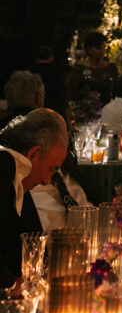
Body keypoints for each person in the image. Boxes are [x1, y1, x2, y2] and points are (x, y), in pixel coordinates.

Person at [0, 109, 70, 284]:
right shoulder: (3, 168)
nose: (47, 181)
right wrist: (13, 286)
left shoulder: (17, 178)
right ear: (33, 154)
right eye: (52, 169)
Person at [66, 32, 118, 114]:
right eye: (98, 48)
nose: (102, 51)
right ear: (89, 49)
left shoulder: (110, 68)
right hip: (87, 114)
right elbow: (71, 94)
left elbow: (116, 91)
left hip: (108, 112)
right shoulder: (80, 69)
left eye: (103, 48)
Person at [33, 45, 67, 116]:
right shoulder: (57, 72)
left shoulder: (30, 72)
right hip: (53, 112)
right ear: (50, 57)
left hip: (34, 111)